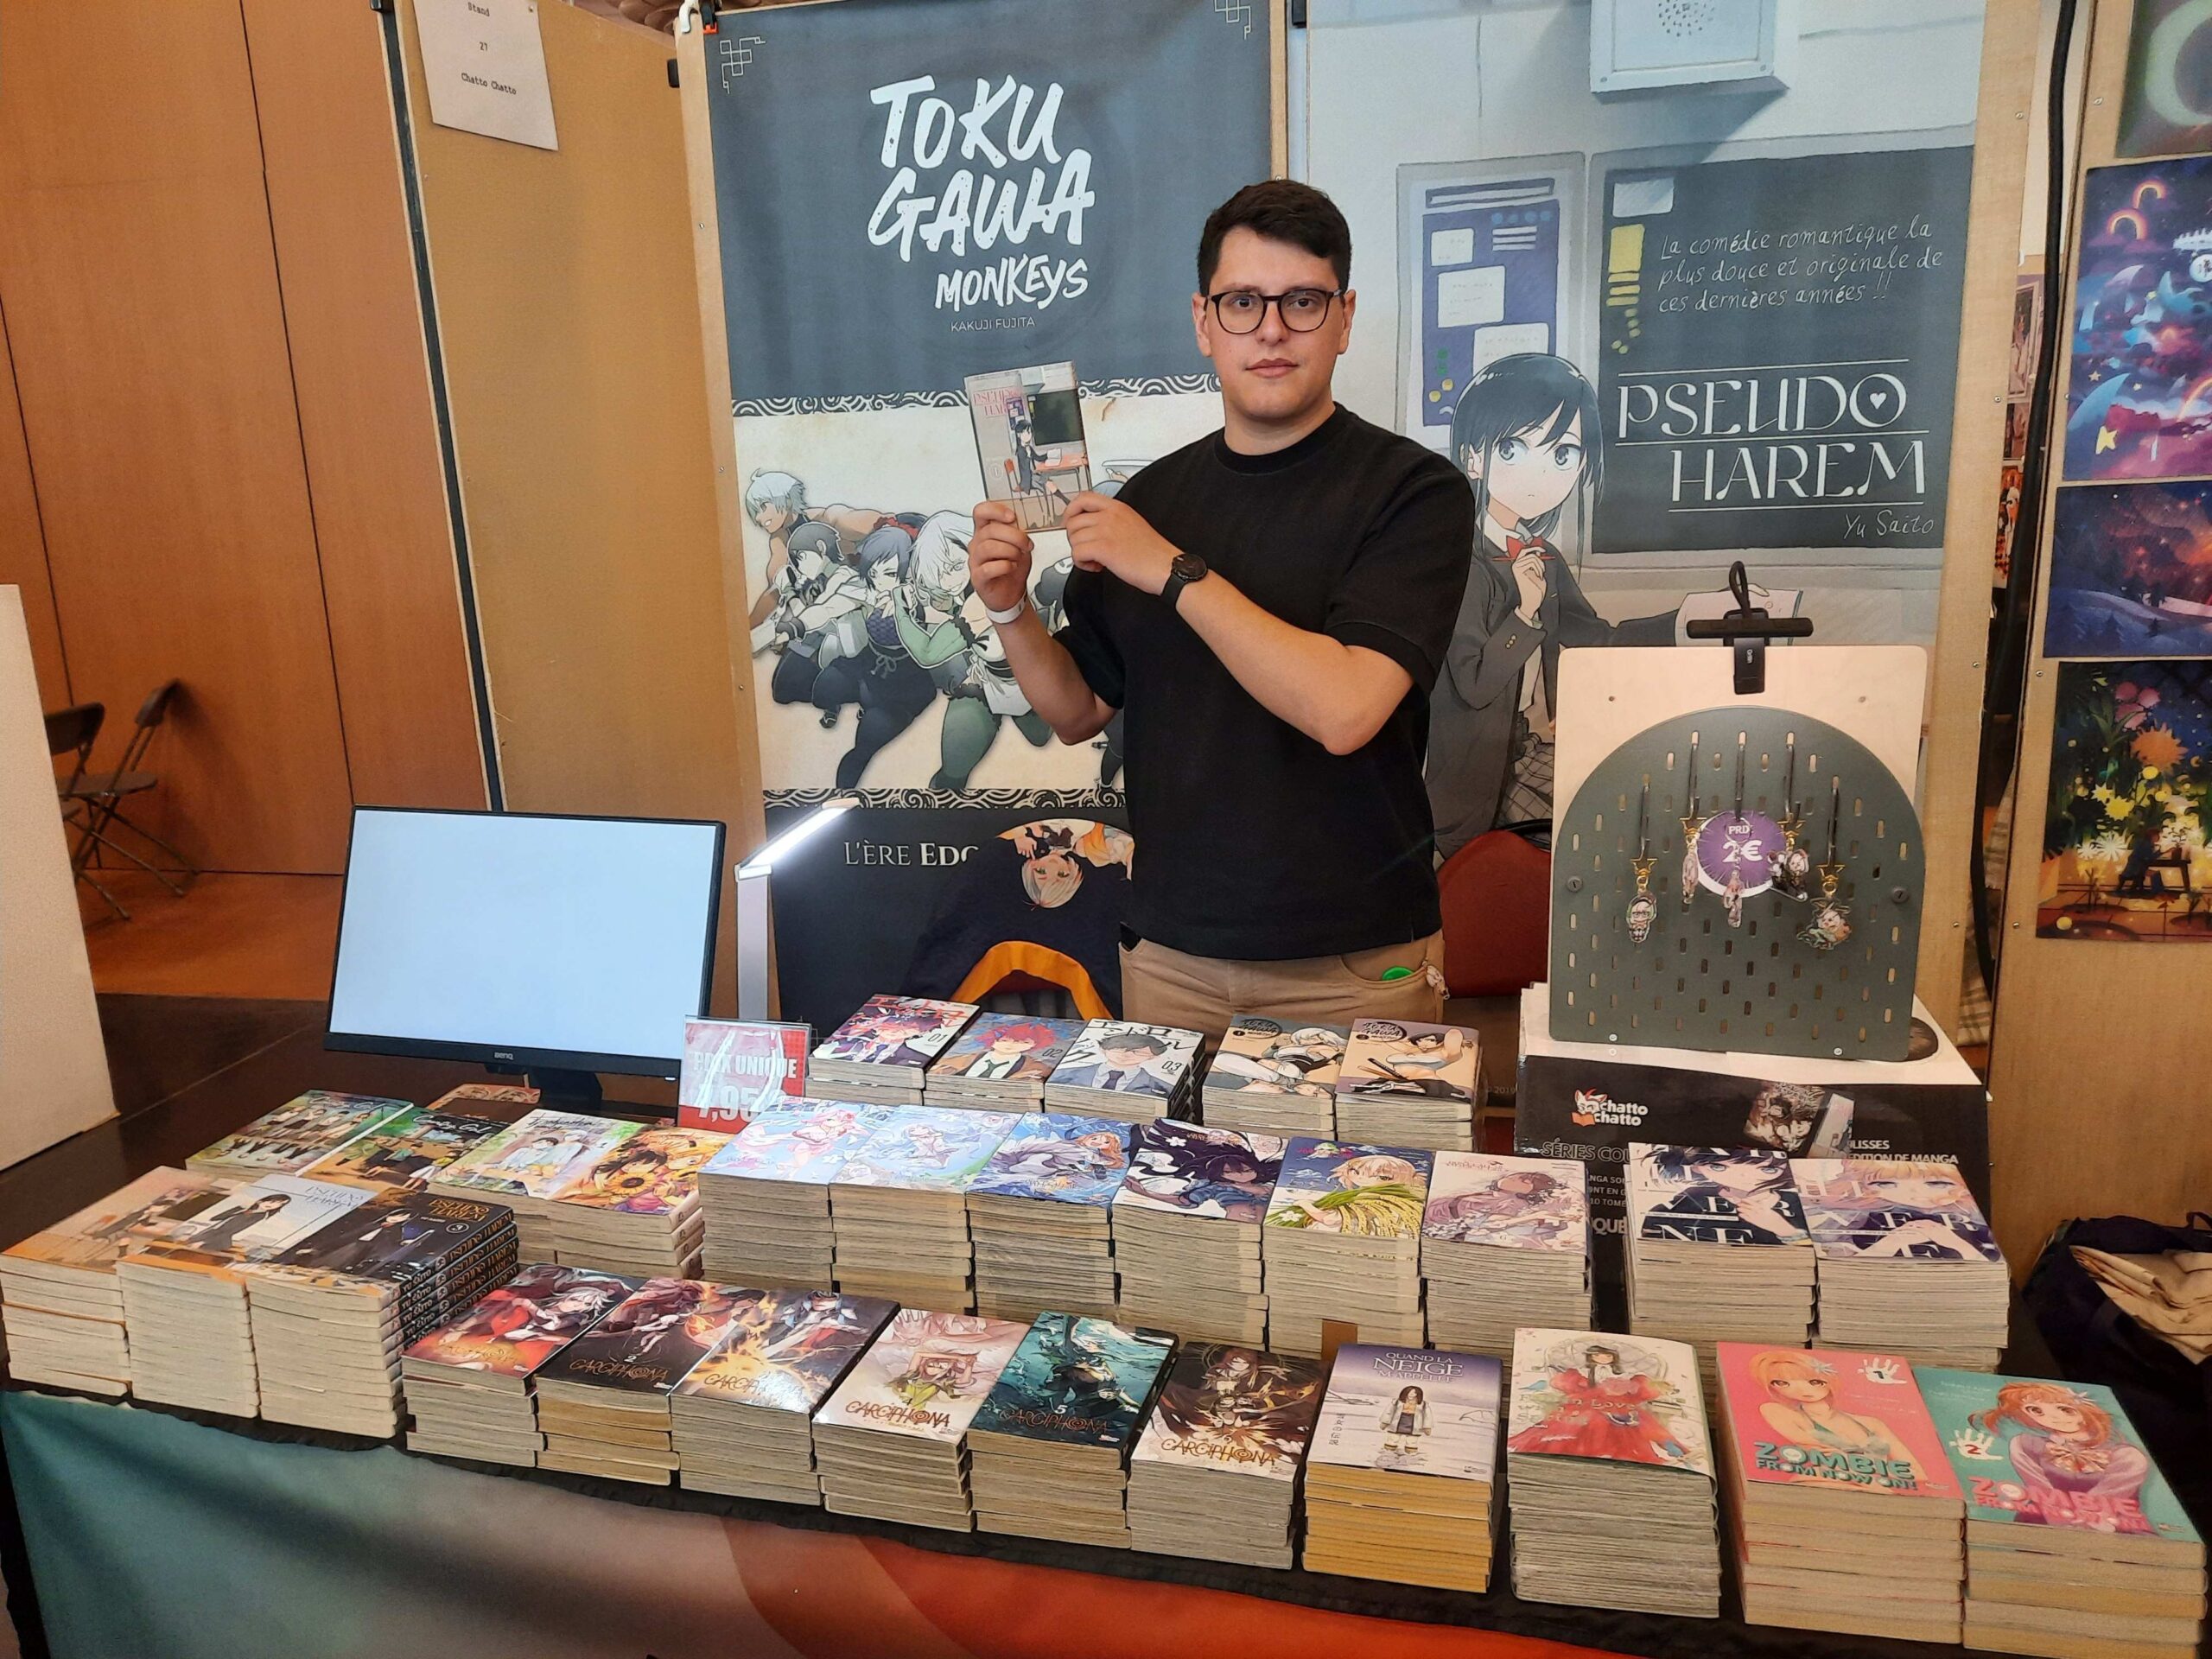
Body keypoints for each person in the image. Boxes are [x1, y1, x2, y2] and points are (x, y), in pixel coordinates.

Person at [969, 181, 1473, 1034]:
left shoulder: (1413, 492)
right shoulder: (1149, 502)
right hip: (1170, 958)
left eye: (1302, 302)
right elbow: (1077, 709)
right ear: (1204, 322)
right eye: (1243, 302)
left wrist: (1171, 571)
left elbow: (1347, 710)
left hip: (1353, 966)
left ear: (1345, 318)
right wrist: (1011, 609)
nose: (1271, 329)